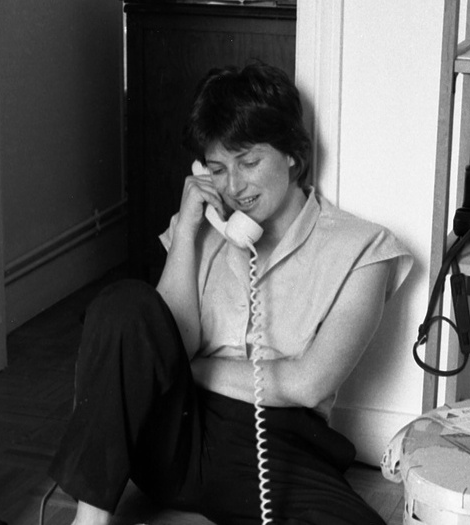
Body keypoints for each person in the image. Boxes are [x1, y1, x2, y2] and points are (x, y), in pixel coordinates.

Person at [49, 62, 413, 525]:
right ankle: (90, 520)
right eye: (218, 169)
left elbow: (308, 383)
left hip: (281, 447)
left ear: (293, 157)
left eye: (249, 162)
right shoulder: (198, 233)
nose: (235, 187)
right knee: (126, 303)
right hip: (176, 435)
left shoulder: (364, 248)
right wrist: (186, 234)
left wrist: (183, 370)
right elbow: (161, 341)